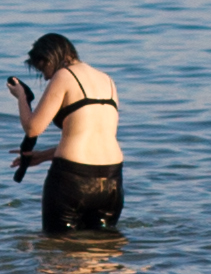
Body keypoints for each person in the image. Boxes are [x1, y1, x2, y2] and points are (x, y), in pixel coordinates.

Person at [7, 30, 125, 235]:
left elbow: (33, 128)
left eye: (43, 69)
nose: (45, 77)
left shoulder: (64, 75)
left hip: (73, 181)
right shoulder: (107, 80)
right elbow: (93, 139)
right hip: (111, 181)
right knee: (104, 252)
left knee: (58, 251)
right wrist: (43, 156)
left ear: (52, 57)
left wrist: (21, 97)